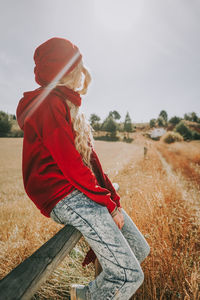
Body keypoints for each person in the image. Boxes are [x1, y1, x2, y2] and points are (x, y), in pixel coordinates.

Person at [16, 37, 150, 300]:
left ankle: (86, 295)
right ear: (63, 69)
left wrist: (112, 198)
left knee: (138, 249)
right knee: (129, 275)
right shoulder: (47, 105)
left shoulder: (69, 103)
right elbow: (70, 163)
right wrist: (106, 205)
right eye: (76, 66)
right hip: (61, 194)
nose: (81, 73)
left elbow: (90, 160)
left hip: (77, 188)